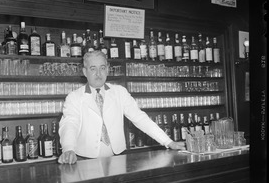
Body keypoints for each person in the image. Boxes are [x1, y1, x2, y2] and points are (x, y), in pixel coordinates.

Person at [58, 50, 186, 164]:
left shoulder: (119, 92)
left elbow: (140, 118)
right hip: (85, 159)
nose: (98, 73)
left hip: (117, 158)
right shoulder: (74, 97)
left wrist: (168, 142)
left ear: (107, 69)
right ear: (85, 72)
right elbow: (69, 123)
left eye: (102, 68)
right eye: (93, 68)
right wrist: (68, 148)